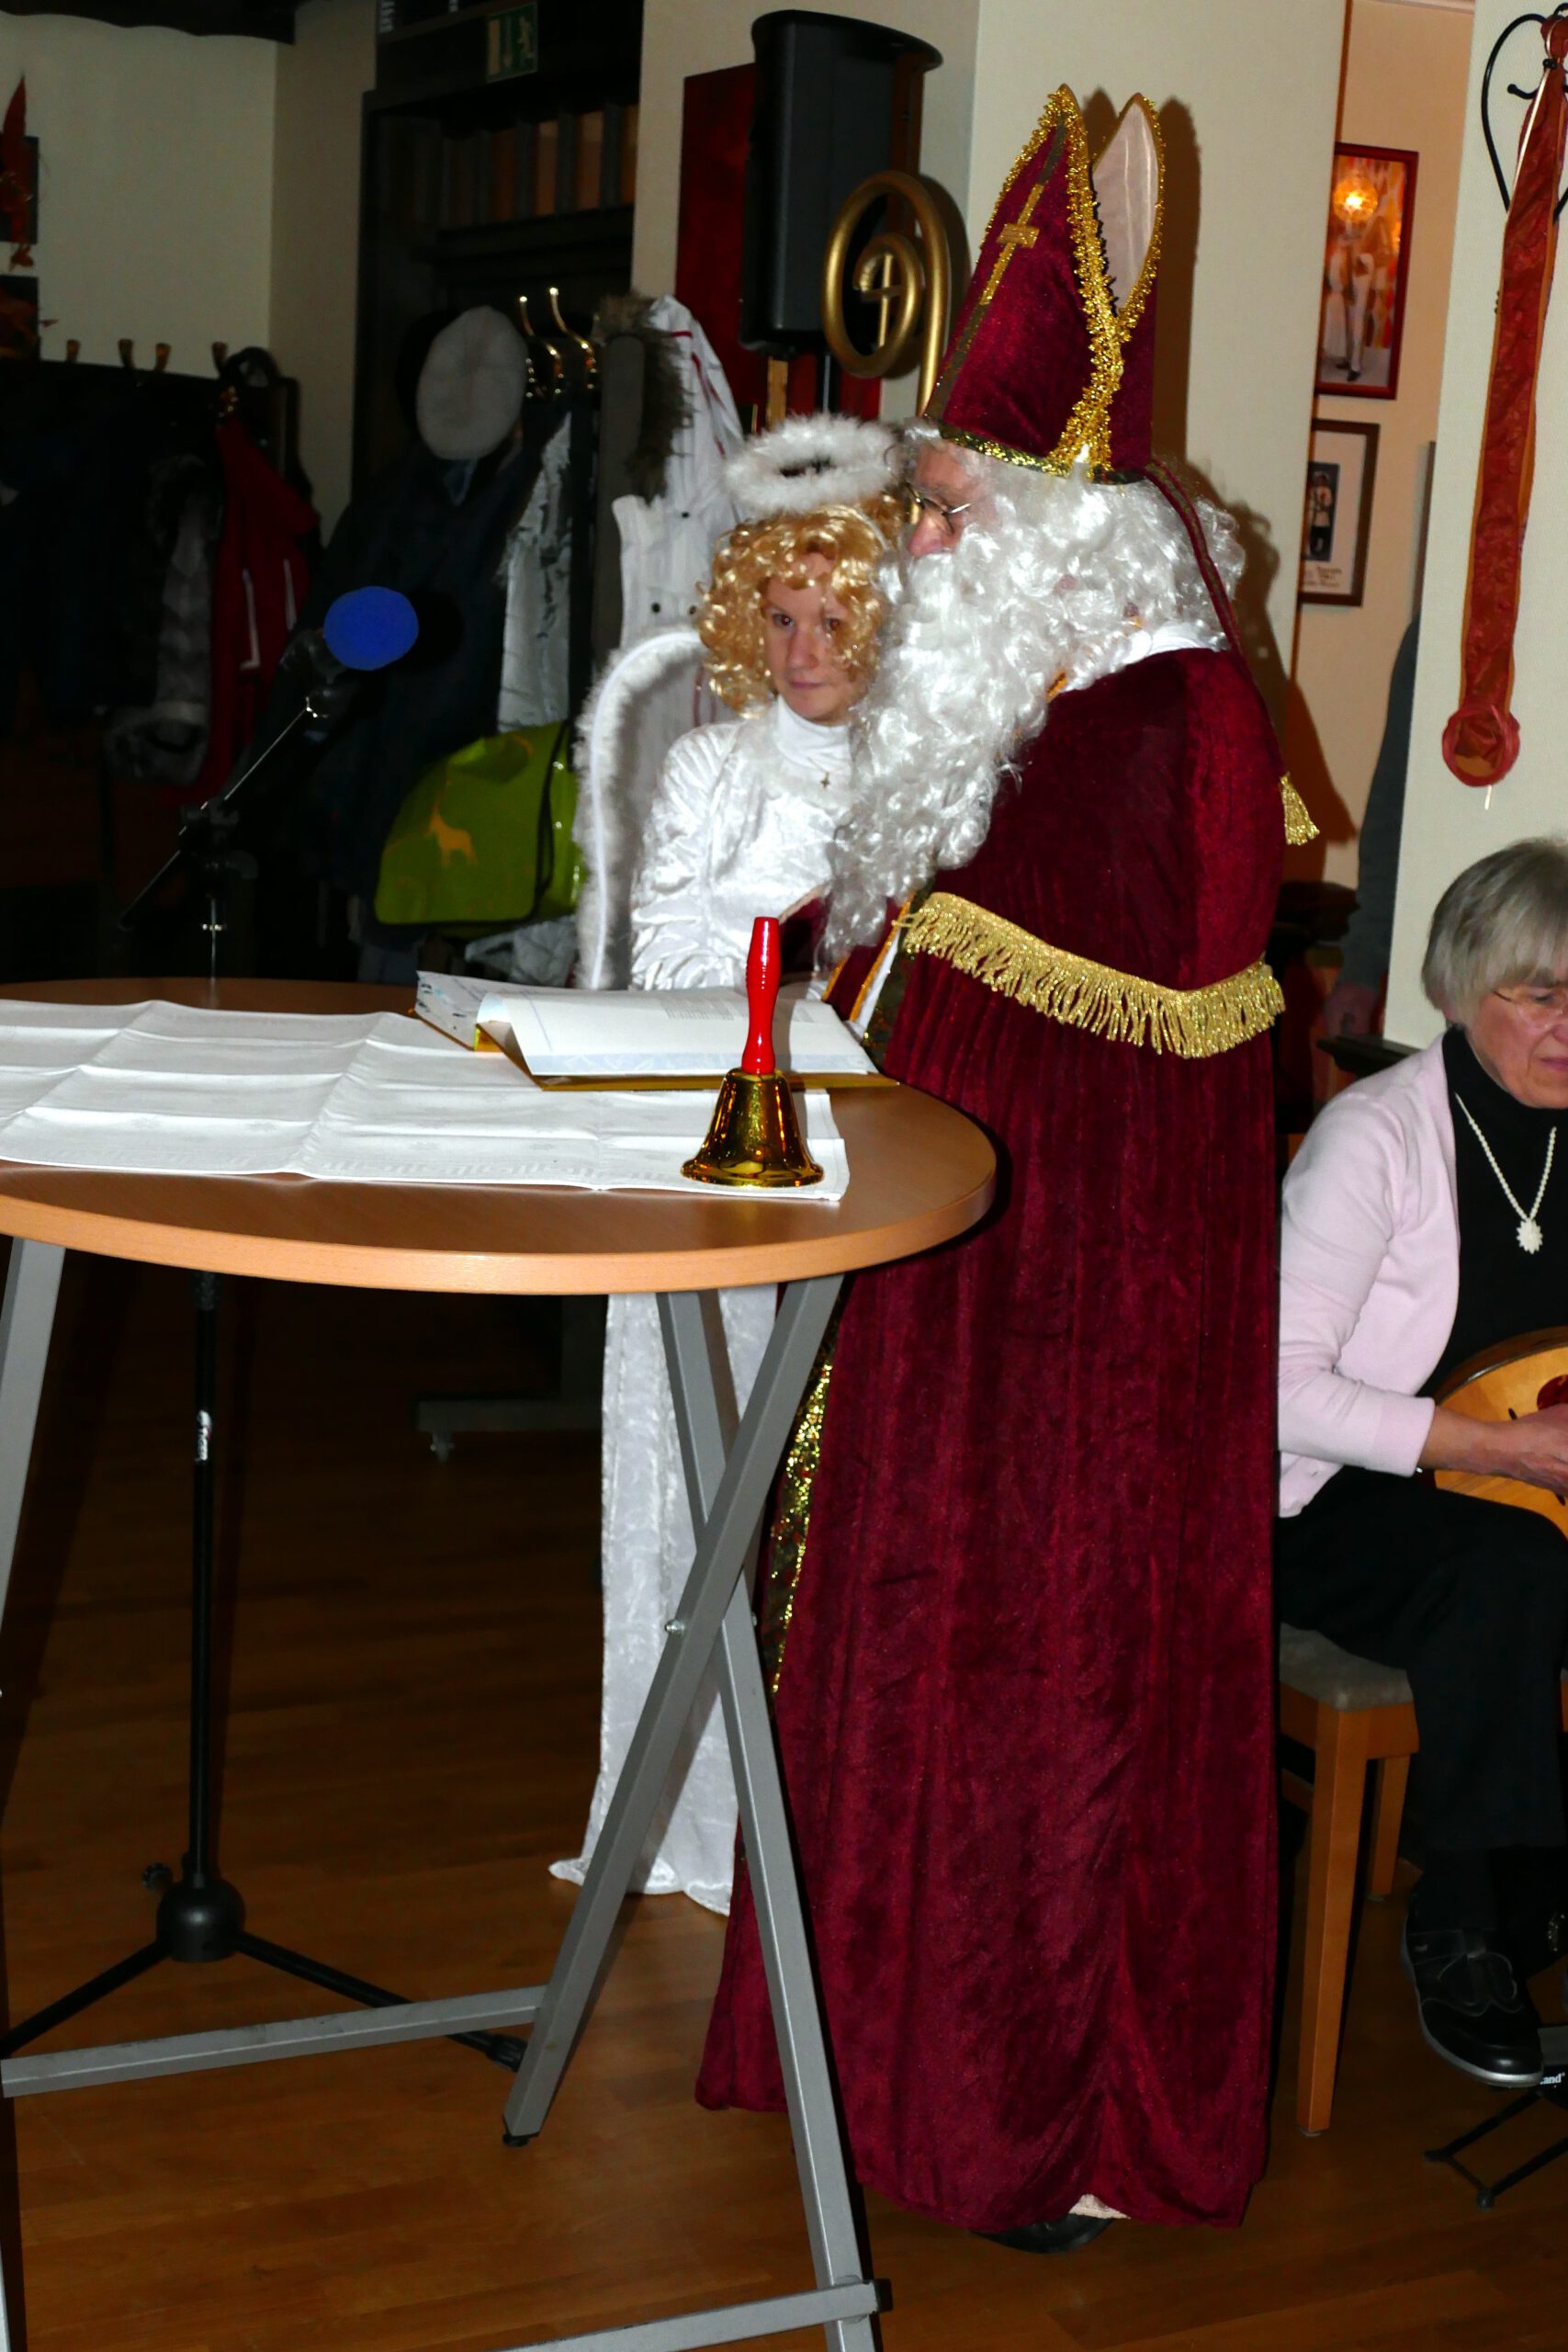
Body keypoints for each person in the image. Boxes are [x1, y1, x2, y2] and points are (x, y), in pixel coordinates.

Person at [697, 87, 1296, 2251]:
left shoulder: (1156, 730)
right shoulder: (1032, 713)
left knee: (1028, 1698)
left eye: (949, 505)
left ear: (1057, 523)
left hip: (1057, 1371)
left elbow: (1071, 1029)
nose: (918, 546)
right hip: (957, 1309)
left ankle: (1022, 2105)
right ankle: (853, 2051)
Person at [553, 416, 900, 1914]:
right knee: (693, 1487)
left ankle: (825, 1805)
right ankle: (687, 1807)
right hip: (719, 1154)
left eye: (833, 620)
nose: (805, 648)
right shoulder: (708, 765)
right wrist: (802, 947)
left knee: (860, 1493)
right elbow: (669, 962)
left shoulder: (926, 778)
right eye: (784, 618)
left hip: (878, 1162)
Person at [1279, 837, 1568, 2092]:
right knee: (1508, 1572)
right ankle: (1464, 1919)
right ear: (1460, 989)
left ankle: (1542, 1880)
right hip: (1339, 1496)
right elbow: (1276, 1391)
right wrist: (1501, 1449)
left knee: (1522, 1553)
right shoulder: (1376, 1140)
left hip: (1521, 1480)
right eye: (1540, 995)